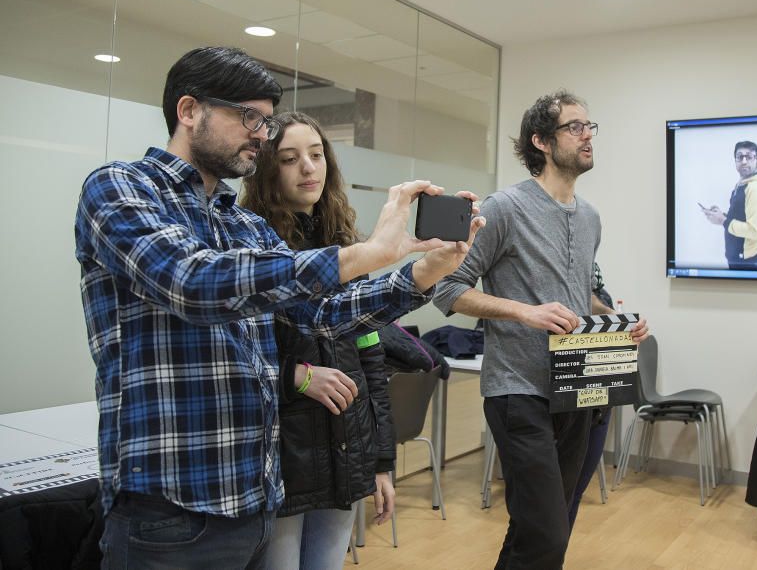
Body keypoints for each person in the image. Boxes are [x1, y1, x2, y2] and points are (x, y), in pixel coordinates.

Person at [74, 46, 483, 569]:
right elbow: (191, 282)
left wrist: (421, 272)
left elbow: (323, 314)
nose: (260, 135)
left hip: (254, 499)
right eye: (249, 117)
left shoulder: (244, 225)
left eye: (266, 122)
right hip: (170, 505)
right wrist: (362, 254)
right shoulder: (121, 188)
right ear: (189, 110)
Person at [433, 90, 648, 569]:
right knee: (546, 531)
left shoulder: (590, 216)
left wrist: (618, 324)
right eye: (575, 127)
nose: (588, 135)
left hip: (576, 390)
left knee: (546, 527)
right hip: (518, 390)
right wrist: (524, 312)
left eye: (590, 126)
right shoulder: (504, 207)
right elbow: (446, 289)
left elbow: (580, 296)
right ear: (542, 141)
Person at [239, 112, 394, 570]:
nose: (309, 168)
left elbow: (371, 358)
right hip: (283, 448)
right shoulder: (251, 245)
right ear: (268, 169)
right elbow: (236, 354)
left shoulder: (348, 247)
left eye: (316, 154)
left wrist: (381, 461)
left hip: (345, 443)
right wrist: (295, 377)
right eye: (290, 159)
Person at [567, 262, 615, 531]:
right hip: (549, 397)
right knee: (549, 501)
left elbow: (588, 298)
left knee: (573, 493)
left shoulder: (597, 292)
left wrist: (614, 318)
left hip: (594, 401)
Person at [702, 141, 757, 270]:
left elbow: (754, 231)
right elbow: (741, 217)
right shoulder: (742, 183)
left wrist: (723, 221)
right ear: (735, 161)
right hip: (739, 258)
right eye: (740, 157)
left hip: (749, 262)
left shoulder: (756, 187)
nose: (744, 161)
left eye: (749, 157)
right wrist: (722, 215)